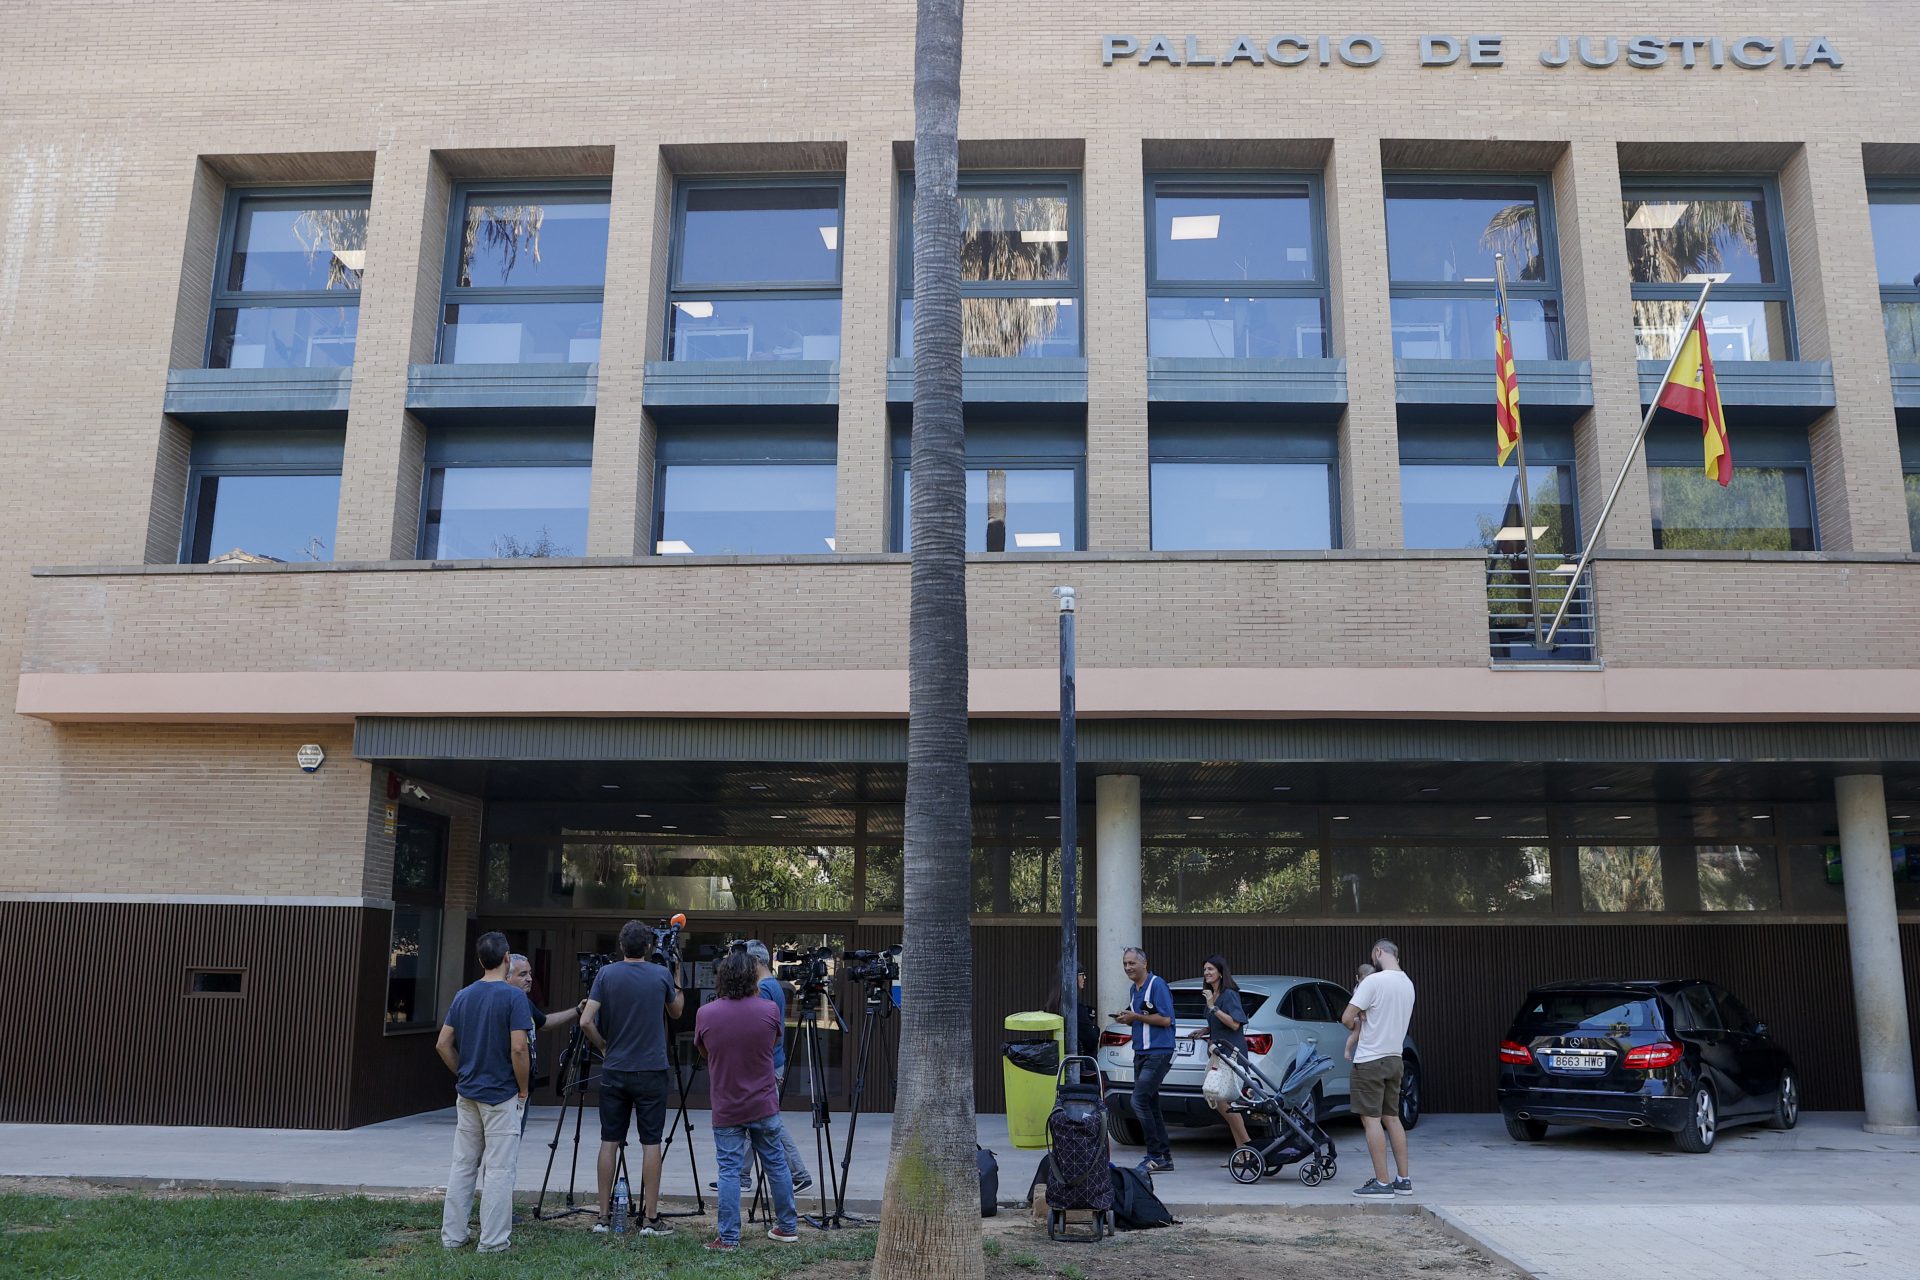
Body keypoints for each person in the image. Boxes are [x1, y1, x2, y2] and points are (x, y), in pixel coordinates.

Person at [581, 921, 685, 1235]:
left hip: (615, 1069)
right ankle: (650, 1218)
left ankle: (603, 1216)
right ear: (649, 947)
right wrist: (677, 974)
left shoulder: (606, 974)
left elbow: (586, 1020)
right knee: (651, 1142)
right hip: (652, 1069)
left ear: (621, 946)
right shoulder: (660, 974)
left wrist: (603, 1046)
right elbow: (677, 1011)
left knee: (609, 1141)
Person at [436, 930, 535, 1254]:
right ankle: (492, 1242)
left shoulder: (463, 995)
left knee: (463, 1165)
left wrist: (464, 1072)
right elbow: (519, 1048)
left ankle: (453, 1236)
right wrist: (523, 1088)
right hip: (501, 1095)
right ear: (507, 958)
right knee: (499, 1170)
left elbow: (443, 1044)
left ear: (480, 960)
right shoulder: (514, 998)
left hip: (468, 1094)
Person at [695, 950, 800, 1250]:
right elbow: (773, 1043)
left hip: (727, 1103)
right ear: (753, 977)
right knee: (776, 1164)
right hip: (763, 1101)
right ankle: (788, 1226)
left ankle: (729, 1237)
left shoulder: (706, 1013)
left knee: (729, 1170)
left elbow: (704, 1051)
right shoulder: (769, 1010)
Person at [704, 942, 813, 1194]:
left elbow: (752, 1028)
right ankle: (743, 1176)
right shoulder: (774, 985)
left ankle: (797, 1173)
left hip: (764, 1064)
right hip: (772, 1061)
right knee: (758, 1121)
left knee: (768, 1123)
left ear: (754, 962)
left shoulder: (763, 989)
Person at [1341, 940, 1416, 1198]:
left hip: (1370, 1060)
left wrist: (1358, 1019)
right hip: (1395, 1058)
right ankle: (1403, 1180)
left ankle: (1382, 1183)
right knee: (1392, 1118)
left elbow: (1346, 1017)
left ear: (1378, 952)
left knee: (1371, 1120)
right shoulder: (1408, 984)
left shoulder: (1373, 981)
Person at [1115, 945, 1176, 1174]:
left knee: (1138, 1100)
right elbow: (1140, 1017)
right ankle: (1164, 1157)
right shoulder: (1134, 989)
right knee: (1150, 1103)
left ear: (1144, 964)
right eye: (1125, 964)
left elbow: (1166, 1019)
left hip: (1158, 1052)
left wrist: (1136, 1016)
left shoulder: (1157, 984)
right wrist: (1128, 1018)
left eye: (1132, 963)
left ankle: (1155, 1155)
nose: (1128, 967)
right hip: (1141, 1052)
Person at [1185, 954, 1253, 1156]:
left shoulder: (1229, 994)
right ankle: (1242, 1152)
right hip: (1217, 1054)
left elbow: (1235, 1023)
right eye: (1205, 969)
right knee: (1222, 1101)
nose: (1206, 973)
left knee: (1224, 1101)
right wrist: (1204, 1031)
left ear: (1221, 972)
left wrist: (1213, 1007)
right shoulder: (1211, 994)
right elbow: (1217, 1023)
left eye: (1210, 969)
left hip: (1231, 1054)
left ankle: (1248, 1148)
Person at [507, 953, 580, 1132]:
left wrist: (577, 1010)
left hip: (523, 1089)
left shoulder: (524, 1002)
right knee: (504, 1143)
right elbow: (518, 1048)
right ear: (506, 977)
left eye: (530, 973)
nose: (530, 979)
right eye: (522, 974)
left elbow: (545, 1022)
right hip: (507, 1088)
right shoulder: (504, 1002)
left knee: (513, 1142)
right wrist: (522, 1088)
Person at [1344, 963, 1375, 1063]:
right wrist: (1362, 1014)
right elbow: (1358, 1005)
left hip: (1361, 1014)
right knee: (1356, 1033)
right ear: (1357, 978)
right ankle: (1347, 1050)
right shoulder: (1359, 990)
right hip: (1357, 1015)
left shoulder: (1362, 987)